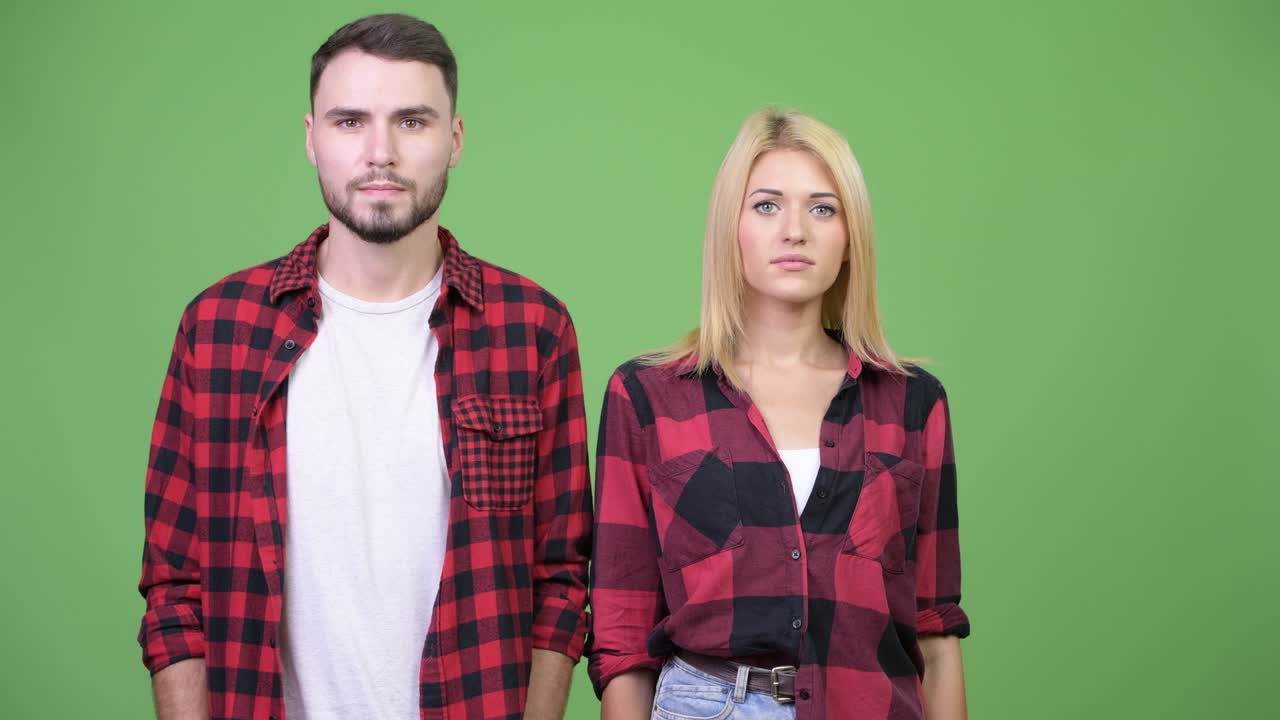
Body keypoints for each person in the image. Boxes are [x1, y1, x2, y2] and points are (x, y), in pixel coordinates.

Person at [137, 14, 591, 720]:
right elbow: (176, 588)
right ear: (311, 138)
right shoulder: (218, 330)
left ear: (455, 139)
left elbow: (558, 581)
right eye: (350, 122)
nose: (381, 153)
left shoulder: (532, 329)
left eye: (412, 121)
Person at [588, 109, 969, 719]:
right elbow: (623, 633)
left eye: (823, 209)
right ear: (730, 228)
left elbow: (935, 625)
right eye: (767, 205)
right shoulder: (648, 397)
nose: (795, 231)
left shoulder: (913, 403)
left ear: (851, 238)